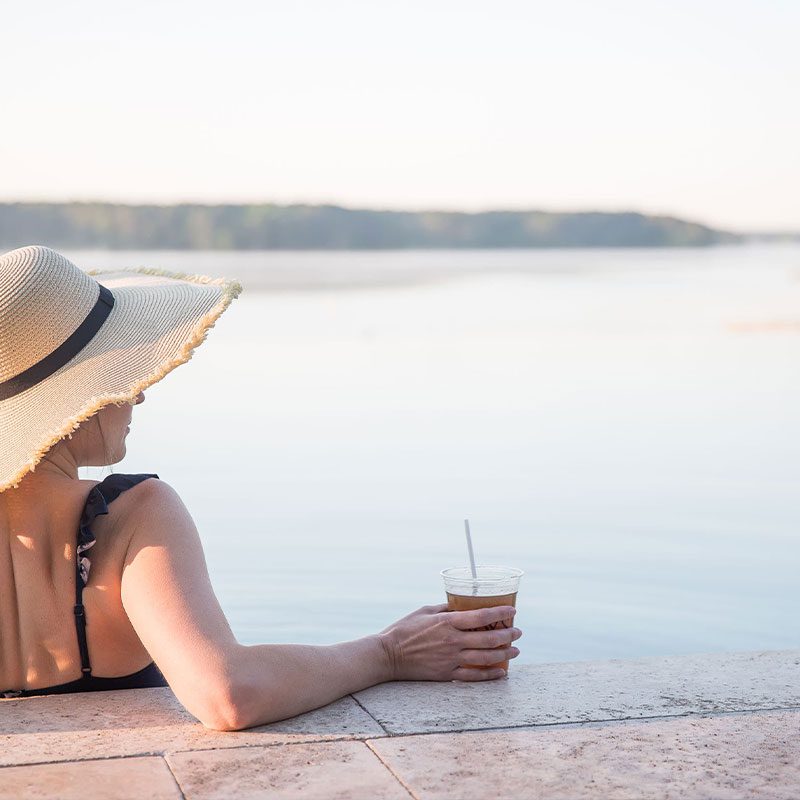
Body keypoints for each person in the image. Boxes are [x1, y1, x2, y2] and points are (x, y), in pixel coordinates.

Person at [0, 245, 521, 730]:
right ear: (81, 398)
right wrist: (389, 652)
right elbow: (226, 694)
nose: (138, 396)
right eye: (120, 377)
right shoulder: (133, 513)